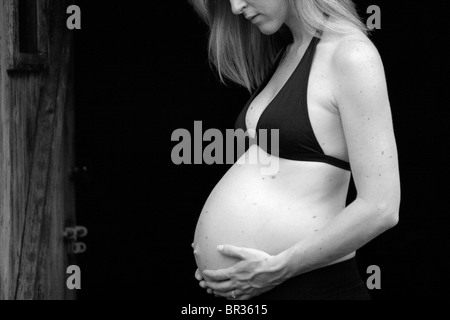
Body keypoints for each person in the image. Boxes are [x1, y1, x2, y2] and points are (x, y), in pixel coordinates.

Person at [189, 0, 400, 300]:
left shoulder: (351, 54)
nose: (235, 7)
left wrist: (276, 269)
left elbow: (381, 208)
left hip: (314, 288)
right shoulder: (288, 52)